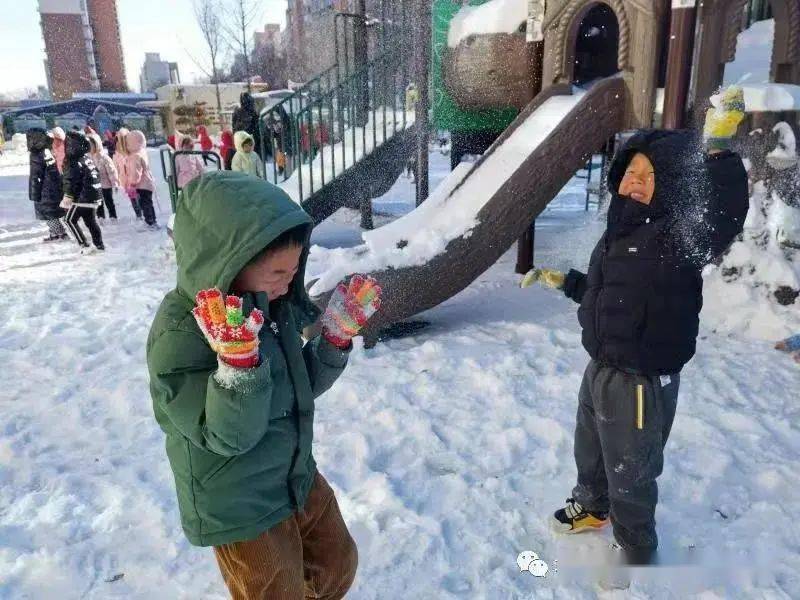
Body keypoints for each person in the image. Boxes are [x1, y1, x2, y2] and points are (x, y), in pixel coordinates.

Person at [526, 87, 750, 566]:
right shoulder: (617, 233)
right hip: (602, 367)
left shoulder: (680, 237)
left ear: (670, 184)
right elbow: (609, 292)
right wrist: (568, 282)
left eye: (650, 176)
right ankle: (591, 506)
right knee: (590, 447)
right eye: (631, 172)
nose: (636, 182)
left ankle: (636, 551)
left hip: (642, 380)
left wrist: (717, 152)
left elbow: (724, 215)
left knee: (632, 468)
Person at [147, 171, 383, 599]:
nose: (287, 283)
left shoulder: (270, 307)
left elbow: (299, 386)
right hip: (237, 497)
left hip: (293, 472)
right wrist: (237, 364)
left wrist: (333, 339)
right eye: (276, 272)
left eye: (294, 270)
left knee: (336, 563)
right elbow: (227, 436)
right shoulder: (181, 334)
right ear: (228, 261)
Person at [61, 131, 105, 252]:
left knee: (69, 220)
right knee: (90, 221)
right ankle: (99, 245)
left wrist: (67, 200)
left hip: (82, 198)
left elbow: (72, 182)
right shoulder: (86, 158)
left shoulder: (74, 162)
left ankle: (84, 244)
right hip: (93, 196)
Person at [27, 127, 68, 242]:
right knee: (52, 211)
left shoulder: (37, 154)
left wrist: (34, 193)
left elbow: (36, 175)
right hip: (53, 187)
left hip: (45, 189)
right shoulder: (47, 151)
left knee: (48, 213)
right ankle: (56, 233)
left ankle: (59, 233)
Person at [125, 130, 158, 229]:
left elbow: (136, 172)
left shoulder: (135, 156)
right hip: (147, 183)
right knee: (148, 203)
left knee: (144, 204)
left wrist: (133, 183)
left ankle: (150, 222)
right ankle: (152, 220)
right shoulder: (142, 152)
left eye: (128, 143)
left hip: (142, 184)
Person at [88, 133, 120, 221]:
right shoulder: (88, 158)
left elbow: (112, 172)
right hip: (95, 185)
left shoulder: (104, 158)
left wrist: (115, 183)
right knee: (98, 201)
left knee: (109, 201)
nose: (90, 148)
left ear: (97, 145)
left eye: (91, 145)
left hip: (106, 185)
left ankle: (113, 216)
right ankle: (100, 216)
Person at [113, 128, 141, 219]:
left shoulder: (132, 151)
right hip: (126, 179)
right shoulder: (118, 152)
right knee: (133, 198)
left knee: (138, 197)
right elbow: (117, 166)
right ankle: (138, 214)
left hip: (135, 179)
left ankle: (142, 213)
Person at [232, 91, 261, 157]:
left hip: (242, 140)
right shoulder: (252, 112)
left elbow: (234, 127)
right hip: (251, 139)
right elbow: (257, 126)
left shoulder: (238, 112)